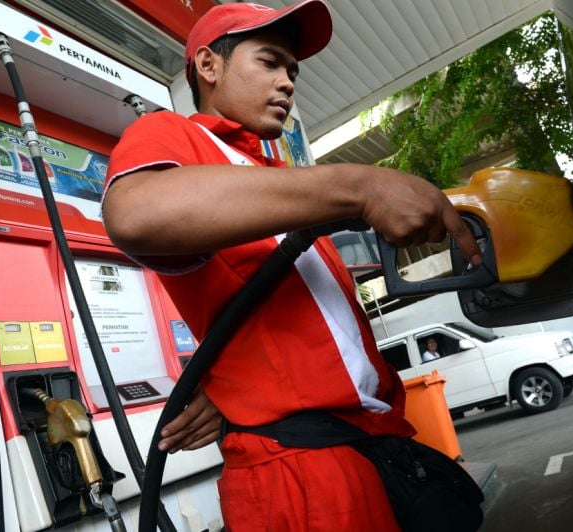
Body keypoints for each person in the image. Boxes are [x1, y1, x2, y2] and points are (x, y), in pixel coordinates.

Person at [101, 1, 481, 529]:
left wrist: (235, 383)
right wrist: (360, 183)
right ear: (209, 66)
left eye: (293, 71)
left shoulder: (276, 179)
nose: (287, 83)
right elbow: (135, 212)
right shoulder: (178, 136)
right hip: (301, 471)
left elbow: (294, 329)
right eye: (270, 62)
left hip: (375, 447)